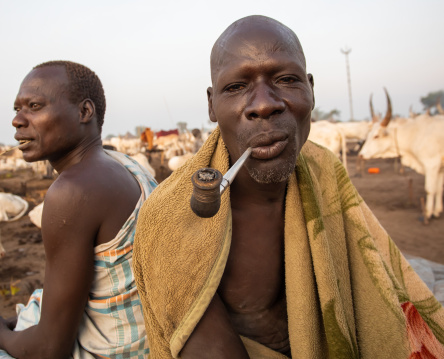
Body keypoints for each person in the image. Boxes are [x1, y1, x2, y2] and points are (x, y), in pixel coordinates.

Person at [132, 15, 444, 358]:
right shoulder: (169, 218)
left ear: (310, 88)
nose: (264, 104)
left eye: (286, 79)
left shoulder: (324, 169)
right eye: (236, 87)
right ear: (211, 104)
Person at [0, 61, 156, 359]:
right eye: (17, 109)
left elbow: (49, 350)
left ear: (84, 112)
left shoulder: (72, 190)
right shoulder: (124, 164)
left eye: (34, 106)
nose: (17, 120)